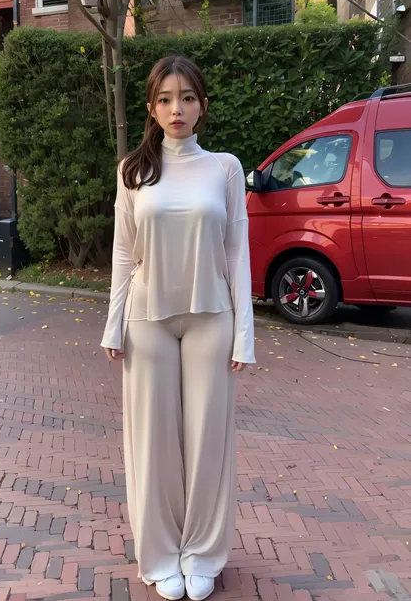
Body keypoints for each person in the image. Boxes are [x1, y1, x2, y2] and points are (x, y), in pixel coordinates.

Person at [101, 55, 255, 601]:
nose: (176, 108)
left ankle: (204, 554)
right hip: (148, 319)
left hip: (212, 316)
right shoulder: (132, 171)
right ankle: (162, 555)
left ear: (202, 105)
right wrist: (112, 324)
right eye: (165, 99)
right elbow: (123, 253)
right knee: (154, 444)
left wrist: (246, 334)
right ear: (151, 108)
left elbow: (237, 253)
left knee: (209, 441)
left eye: (187, 97)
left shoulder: (225, 169)